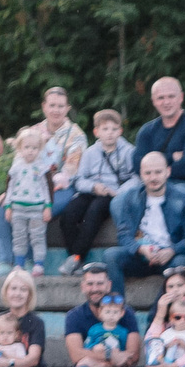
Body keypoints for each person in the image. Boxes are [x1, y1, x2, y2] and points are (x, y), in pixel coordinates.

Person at [0, 86, 84, 272]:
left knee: (35, 208)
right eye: (52, 105)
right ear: (44, 107)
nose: (56, 110)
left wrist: (54, 181)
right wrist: (9, 192)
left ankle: (32, 262)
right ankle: (6, 262)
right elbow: (19, 163)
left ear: (67, 108)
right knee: (1, 208)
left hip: (61, 188)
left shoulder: (75, 134)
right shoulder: (33, 131)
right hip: (29, 184)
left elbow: (72, 167)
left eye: (61, 106)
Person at [58, 264, 137, 367]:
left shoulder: (125, 313)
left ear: (108, 285)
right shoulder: (75, 315)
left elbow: (132, 356)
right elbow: (76, 355)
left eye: (100, 284)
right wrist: (113, 357)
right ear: (83, 286)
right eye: (90, 284)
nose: (95, 289)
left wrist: (95, 359)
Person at [56, 109, 134, 276]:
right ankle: (76, 259)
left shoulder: (128, 151)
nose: (110, 134)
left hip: (113, 193)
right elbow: (79, 179)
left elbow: (137, 178)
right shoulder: (91, 153)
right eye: (105, 129)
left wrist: (119, 192)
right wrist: (93, 187)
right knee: (69, 214)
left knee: (94, 212)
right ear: (96, 132)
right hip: (92, 190)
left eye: (114, 129)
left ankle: (76, 258)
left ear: (120, 131)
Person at [102, 150, 185, 289]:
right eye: (148, 173)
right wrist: (140, 249)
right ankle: (116, 308)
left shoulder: (183, 198)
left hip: (170, 257)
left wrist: (172, 250)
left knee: (181, 263)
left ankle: (159, 309)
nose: (153, 178)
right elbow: (124, 235)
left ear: (167, 172)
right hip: (141, 256)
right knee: (111, 256)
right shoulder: (131, 198)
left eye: (158, 172)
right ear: (141, 174)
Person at [133, 77, 185, 186]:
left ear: (181, 97)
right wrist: (171, 157)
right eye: (160, 98)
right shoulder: (147, 131)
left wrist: (153, 166)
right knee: (119, 200)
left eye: (171, 96)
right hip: (150, 187)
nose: (166, 102)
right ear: (153, 101)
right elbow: (138, 166)